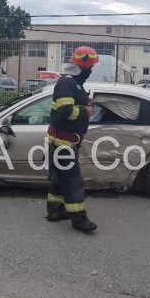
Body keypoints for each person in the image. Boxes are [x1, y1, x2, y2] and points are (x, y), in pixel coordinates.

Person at [44, 46, 99, 233]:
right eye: (90, 67)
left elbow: (70, 105)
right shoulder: (68, 83)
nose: (91, 71)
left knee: (60, 179)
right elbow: (65, 111)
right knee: (72, 180)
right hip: (63, 143)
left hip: (63, 141)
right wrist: (86, 111)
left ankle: (54, 210)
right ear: (82, 66)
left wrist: (84, 103)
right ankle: (79, 218)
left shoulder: (73, 82)